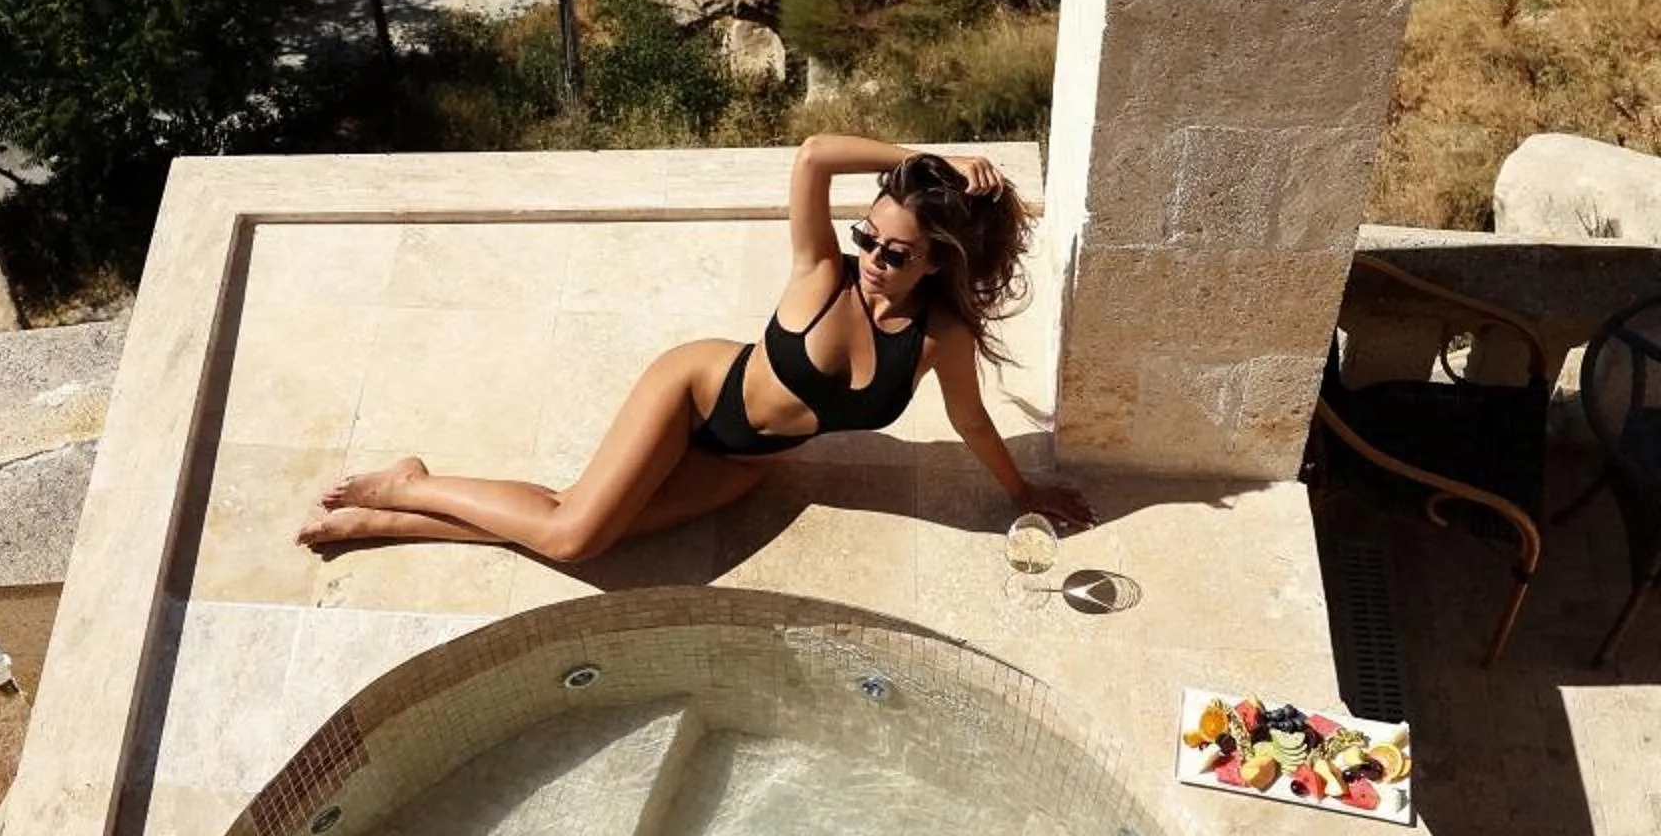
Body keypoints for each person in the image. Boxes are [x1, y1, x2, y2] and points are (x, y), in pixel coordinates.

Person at [297, 132, 1093, 565]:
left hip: (743, 463)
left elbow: (973, 424)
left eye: (895, 253)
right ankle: (402, 490)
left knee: (588, 534)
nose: (873, 259)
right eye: (869, 235)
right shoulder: (822, 270)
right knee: (569, 533)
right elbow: (814, 154)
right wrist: (931, 158)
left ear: (939, 262)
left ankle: (391, 517)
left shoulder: (938, 338)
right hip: (693, 395)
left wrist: (1021, 491)